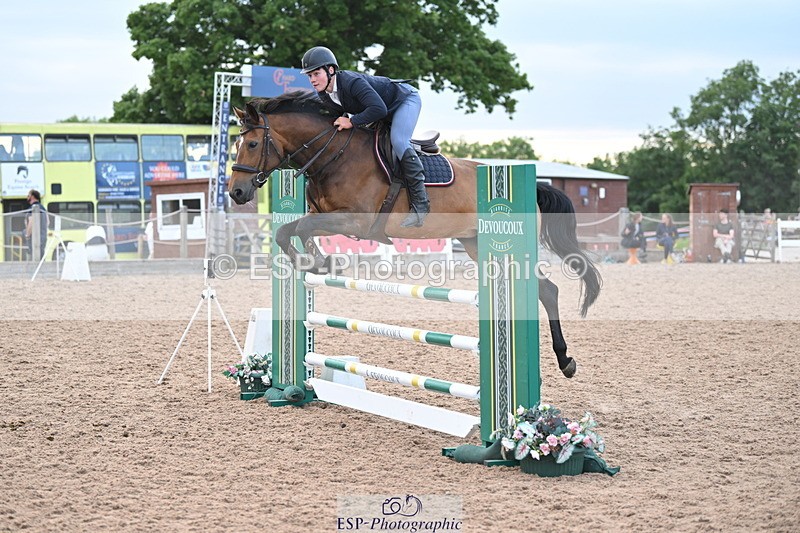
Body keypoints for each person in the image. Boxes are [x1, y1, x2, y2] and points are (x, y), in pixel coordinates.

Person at [300, 46, 430, 228]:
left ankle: (421, 205)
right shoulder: (324, 94)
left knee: (399, 141)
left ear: (330, 70)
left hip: (404, 100)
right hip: (380, 110)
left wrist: (351, 122)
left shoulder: (352, 82)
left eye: (316, 74)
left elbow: (378, 109)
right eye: (309, 76)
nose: (312, 80)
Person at [25, 189, 48, 260]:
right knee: (41, 258)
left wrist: (27, 235)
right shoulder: (43, 208)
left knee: (34, 258)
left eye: (28, 195)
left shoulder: (32, 208)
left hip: (34, 239)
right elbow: (48, 222)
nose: (27, 197)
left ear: (32, 196)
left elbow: (31, 222)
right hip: (43, 237)